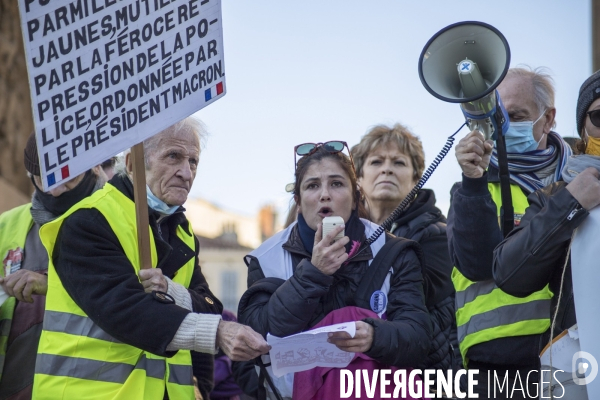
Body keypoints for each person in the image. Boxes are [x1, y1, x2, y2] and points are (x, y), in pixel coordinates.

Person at [31, 117, 270, 400]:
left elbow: (209, 307)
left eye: (193, 161)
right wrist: (217, 332)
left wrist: (174, 292)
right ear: (132, 163)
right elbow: (128, 312)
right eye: (173, 156)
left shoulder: (181, 231)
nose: (186, 172)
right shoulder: (88, 220)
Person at [238, 141, 431, 399]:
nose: (324, 195)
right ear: (298, 201)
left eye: (337, 184)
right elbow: (258, 335)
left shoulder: (395, 251)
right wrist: (314, 273)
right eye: (312, 185)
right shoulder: (266, 258)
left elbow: (418, 336)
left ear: (355, 199)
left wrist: (375, 336)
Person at [447, 67, 572, 398]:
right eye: (496, 117)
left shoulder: (578, 181)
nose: (502, 126)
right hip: (492, 368)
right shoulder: (471, 188)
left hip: (569, 353)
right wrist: (473, 180)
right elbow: (475, 265)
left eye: (515, 115)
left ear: (547, 120)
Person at [492, 70, 600, 397]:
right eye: (599, 116)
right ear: (584, 126)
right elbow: (509, 274)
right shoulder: (555, 195)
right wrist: (569, 204)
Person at [0, 132, 108, 400]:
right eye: (44, 178)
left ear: (94, 166)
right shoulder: (6, 226)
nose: (55, 189)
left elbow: (130, 297)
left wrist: (53, 285)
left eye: (67, 176)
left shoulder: (122, 222)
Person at [351, 123, 457, 372]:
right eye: (376, 162)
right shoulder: (347, 232)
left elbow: (406, 296)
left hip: (423, 378)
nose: (387, 169)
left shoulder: (439, 234)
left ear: (416, 178)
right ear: (358, 177)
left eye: (399, 163)